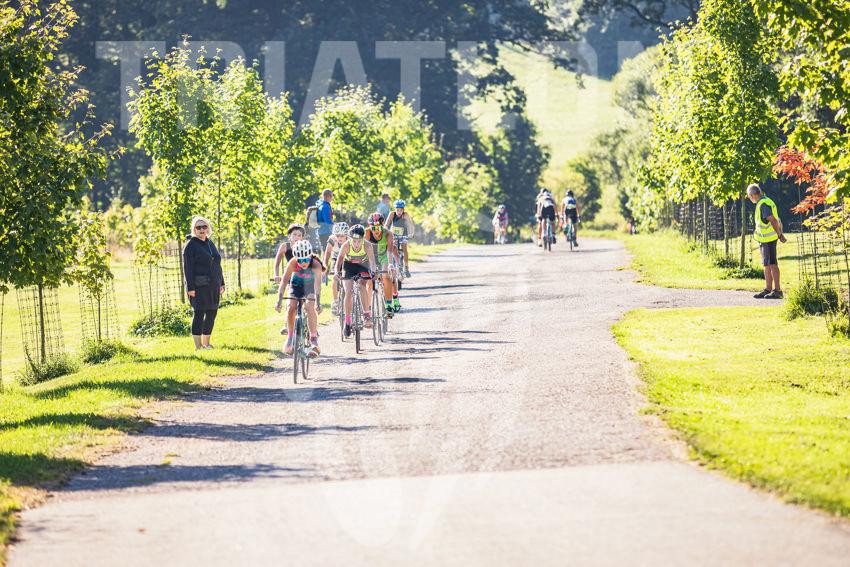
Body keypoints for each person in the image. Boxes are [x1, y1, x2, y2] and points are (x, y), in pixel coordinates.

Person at [183, 216, 225, 350]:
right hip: (198, 286)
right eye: (198, 227)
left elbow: (217, 264)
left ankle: (207, 344)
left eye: (204, 226)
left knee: (212, 313)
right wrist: (190, 288)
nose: (202, 229)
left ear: (208, 228)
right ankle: (198, 346)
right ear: (194, 229)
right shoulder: (190, 245)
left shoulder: (210, 243)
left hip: (214, 285)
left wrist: (222, 282)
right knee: (199, 314)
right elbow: (187, 268)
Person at [275, 239, 324, 356]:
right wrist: (279, 301)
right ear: (296, 258)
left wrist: (318, 303)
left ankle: (313, 339)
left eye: (306, 259)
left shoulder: (316, 264)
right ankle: (290, 337)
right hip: (296, 286)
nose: (303, 263)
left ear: (310, 256)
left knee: (310, 306)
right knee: (291, 306)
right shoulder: (292, 263)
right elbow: (283, 283)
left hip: (310, 287)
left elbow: (317, 286)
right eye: (300, 260)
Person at [335, 224, 378, 338]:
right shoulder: (346, 245)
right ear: (350, 239)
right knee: (348, 292)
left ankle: (366, 315)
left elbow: (372, 262)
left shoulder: (367, 245)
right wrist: (336, 272)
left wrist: (373, 272)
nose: (357, 244)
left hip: (363, 266)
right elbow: (339, 262)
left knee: (362, 285)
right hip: (348, 266)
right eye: (354, 241)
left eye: (359, 241)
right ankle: (347, 321)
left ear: (363, 239)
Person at [748, 183, 787, 299]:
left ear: (752, 195)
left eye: (749, 196)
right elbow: (776, 219)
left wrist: (779, 234)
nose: (750, 198)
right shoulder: (765, 201)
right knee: (767, 264)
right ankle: (768, 289)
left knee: (772, 264)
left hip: (769, 239)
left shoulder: (763, 204)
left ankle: (777, 290)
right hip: (765, 239)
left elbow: (773, 220)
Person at [366, 212, 401, 315]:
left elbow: (389, 251)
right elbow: (364, 251)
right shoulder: (366, 233)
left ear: (382, 225)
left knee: (386, 275)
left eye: (379, 227)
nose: (376, 231)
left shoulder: (388, 233)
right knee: (369, 281)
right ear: (369, 226)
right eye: (373, 228)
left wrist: (390, 265)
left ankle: (389, 304)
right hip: (371, 257)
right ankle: (368, 309)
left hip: (383, 256)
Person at [323, 222, 349, 316]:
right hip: (336, 257)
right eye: (337, 235)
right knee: (335, 277)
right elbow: (327, 254)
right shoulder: (332, 239)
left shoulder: (350, 239)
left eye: (342, 236)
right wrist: (325, 266)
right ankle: (335, 301)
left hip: (347, 258)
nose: (340, 238)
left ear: (347, 235)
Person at [385, 199, 414, 278]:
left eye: (401, 210)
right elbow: (387, 224)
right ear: (395, 209)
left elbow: (410, 225)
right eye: (397, 210)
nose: (399, 212)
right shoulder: (392, 214)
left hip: (403, 233)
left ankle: (406, 268)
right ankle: (391, 263)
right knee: (392, 247)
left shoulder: (405, 215)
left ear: (403, 210)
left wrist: (411, 233)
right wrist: (385, 231)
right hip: (393, 233)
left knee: (404, 249)